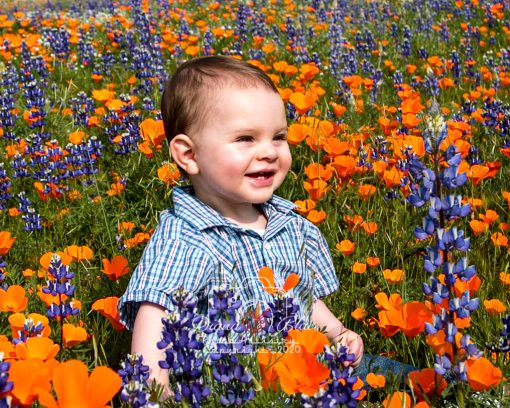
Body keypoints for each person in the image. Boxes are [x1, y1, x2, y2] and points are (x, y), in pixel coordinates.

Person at [118, 55, 363, 394]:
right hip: (230, 388)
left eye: (278, 136)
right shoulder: (186, 238)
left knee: (409, 379)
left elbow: (301, 298)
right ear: (188, 155)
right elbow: (155, 316)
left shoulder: (288, 224)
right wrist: (153, 394)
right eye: (246, 138)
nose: (269, 151)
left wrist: (336, 334)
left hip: (304, 368)